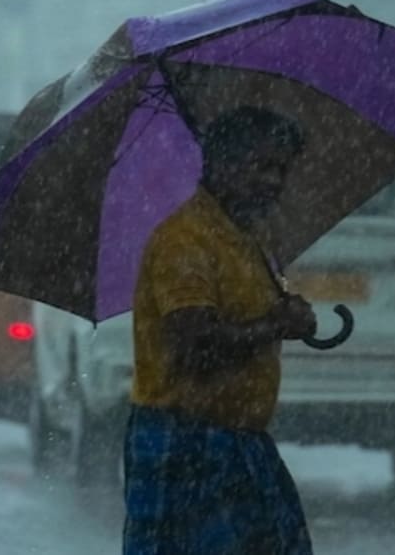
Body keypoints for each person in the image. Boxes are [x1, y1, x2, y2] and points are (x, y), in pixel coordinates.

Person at [124, 106, 317, 555]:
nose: (273, 181)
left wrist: (285, 314)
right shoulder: (185, 239)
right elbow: (192, 344)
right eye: (262, 166)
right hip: (187, 441)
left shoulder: (245, 237)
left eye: (281, 170)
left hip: (239, 440)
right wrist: (274, 324)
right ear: (222, 163)